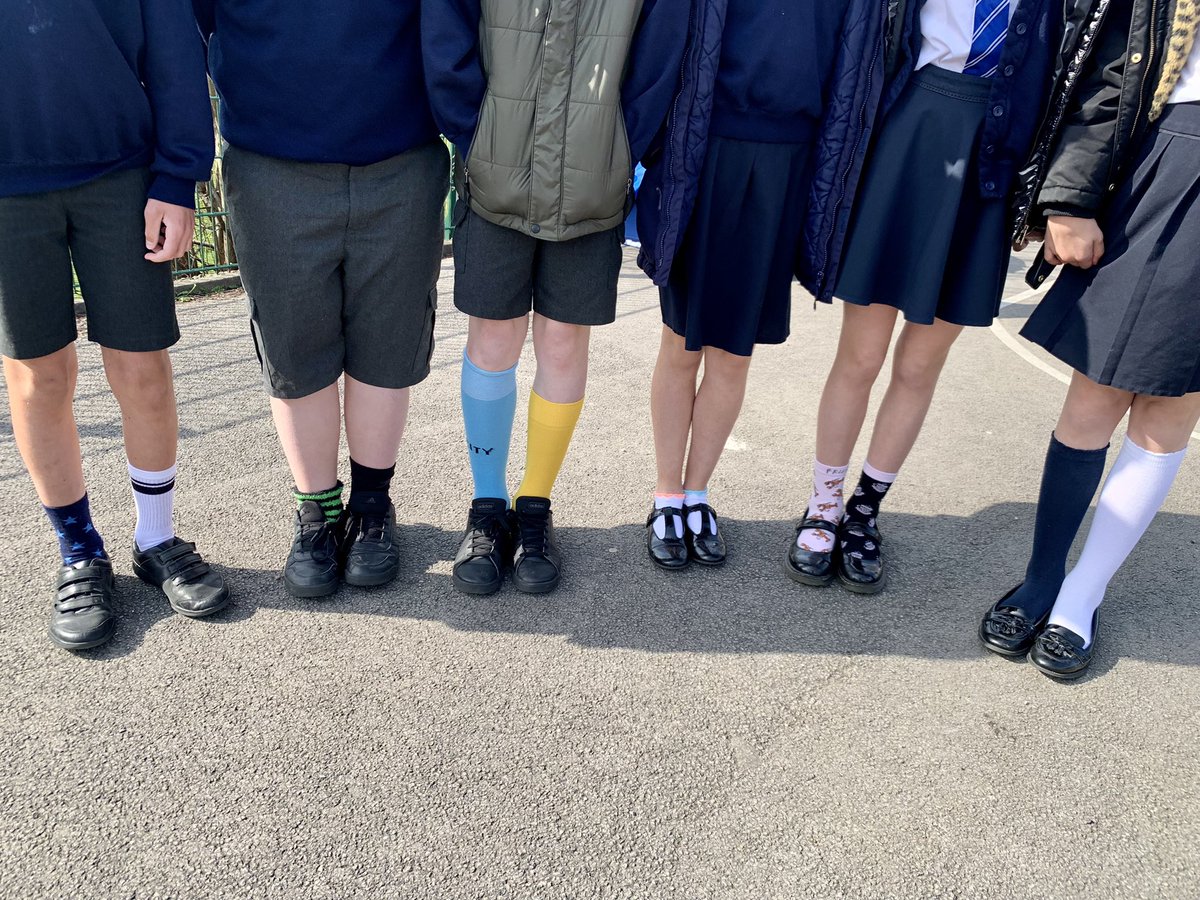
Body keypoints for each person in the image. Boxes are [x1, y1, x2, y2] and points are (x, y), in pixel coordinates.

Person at [784, 0, 1062, 594]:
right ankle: (824, 505)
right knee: (860, 356)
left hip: (996, 149)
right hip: (910, 131)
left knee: (919, 363)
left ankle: (865, 510)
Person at [423, 0, 686, 595]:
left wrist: (616, 147)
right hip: (494, 173)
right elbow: (446, 35)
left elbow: (657, 64)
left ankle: (535, 505)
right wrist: (477, 131)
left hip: (594, 185)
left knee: (564, 344)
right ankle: (488, 506)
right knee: (492, 337)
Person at [195, 0, 450, 598]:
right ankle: (317, 513)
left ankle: (371, 508)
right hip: (270, 159)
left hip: (401, 156)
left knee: (388, 343)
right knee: (294, 343)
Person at [980, 0, 1200, 680]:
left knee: (1171, 409)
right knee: (1095, 395)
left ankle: (1084, 593)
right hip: (1167, 157)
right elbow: (1112, 70)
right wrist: (1069, 200)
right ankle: (1044, 578)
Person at [0, 0, 229, 651]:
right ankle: (79, 553)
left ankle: (156, 539)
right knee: (38, 380)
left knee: (144, 371)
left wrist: (180, 174)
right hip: (8, 186)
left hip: (123, 173)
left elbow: (174, 45)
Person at [638, 0, 858, 571]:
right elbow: (660, 46)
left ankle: (697, 493)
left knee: (734, 355)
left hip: (789, 164)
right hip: (703, 152)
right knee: (680, 342)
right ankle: (666, 494)